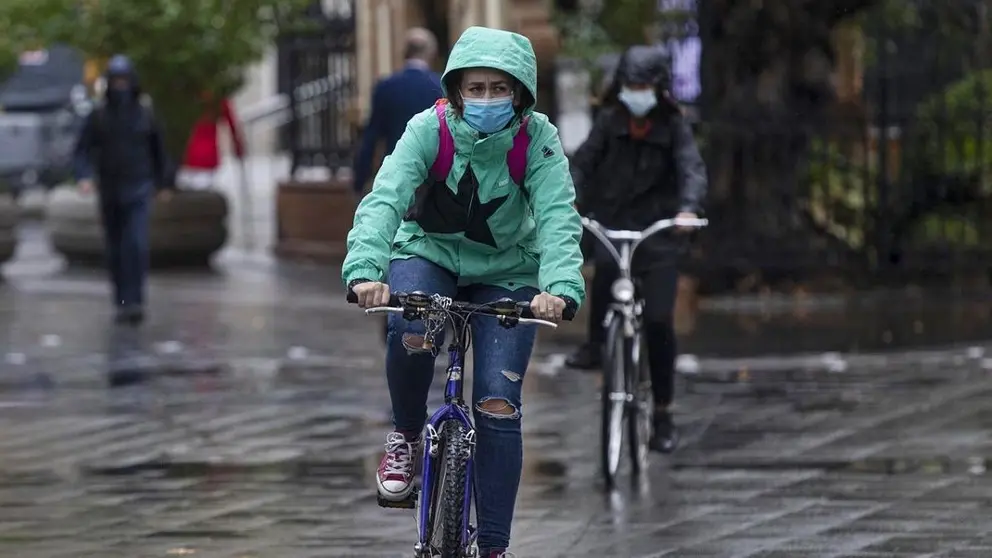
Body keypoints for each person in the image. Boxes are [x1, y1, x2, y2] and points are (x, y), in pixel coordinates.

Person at [343, 26, 585, 558]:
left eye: (499, 89)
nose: (486, 99)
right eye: (474, 88)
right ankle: (405, 436)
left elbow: (558, 218)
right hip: (428, 255)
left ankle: (495, 547)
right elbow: (385, 197)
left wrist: (560, 287)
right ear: (455, 90)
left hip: (509, 270)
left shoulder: (538, 140)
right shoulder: (428, 129)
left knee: (498, 406)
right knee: (409, 328)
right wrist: (364, 270)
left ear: (520, 93)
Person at [565, 45, 707, 453]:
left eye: (643, 85)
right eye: (630, 85)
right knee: (605, 275)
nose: (636, 92)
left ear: (659, 89)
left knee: (660, 321)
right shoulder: (609, 123)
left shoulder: (676, 128)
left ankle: (662, 412)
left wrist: (688, 210)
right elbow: (583, 163)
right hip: (614, 225)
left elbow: (691, 169)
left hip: (659, 235)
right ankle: (597, 347)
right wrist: (571, 197)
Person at [351, 28, 443, 343]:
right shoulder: (439, 85)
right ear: (429, 54)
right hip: (434, 182)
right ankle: (429, 309)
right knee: (425, 244)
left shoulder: (386, 87)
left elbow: (371, 135)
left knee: (393, 240)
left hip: (394, 176)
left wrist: (359, 177)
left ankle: (394, 307)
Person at [74, 54, 171, 325]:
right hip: (110, 188)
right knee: (116, 248)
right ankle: (122, 300)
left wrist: (163, 183)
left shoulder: (145, 113)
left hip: (138, 187)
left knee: (136, 244)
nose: (120, 87)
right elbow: (82, 150)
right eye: (115, 81)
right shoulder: (99, 115)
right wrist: (84, 177)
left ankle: (135, 300)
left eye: (124, 81)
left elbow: (159, 150)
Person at [177, 91, 245, 190]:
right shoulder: (218, 100)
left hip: (189, 155)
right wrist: (238, 147)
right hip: (208, 156)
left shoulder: (188, 98)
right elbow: (232, 125)